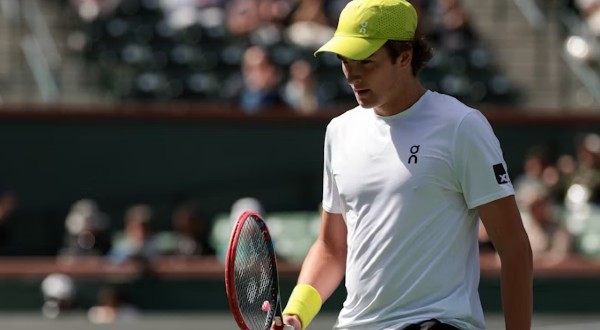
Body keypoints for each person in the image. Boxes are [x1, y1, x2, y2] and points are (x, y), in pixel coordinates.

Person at [276, 1, 533, 329]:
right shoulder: (339, 131)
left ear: (404, 57)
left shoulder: (462, 127)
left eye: (366, 63)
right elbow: (331, 247)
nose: (353, 75)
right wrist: (297, 313)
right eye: (345, 61)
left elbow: (514, 248)